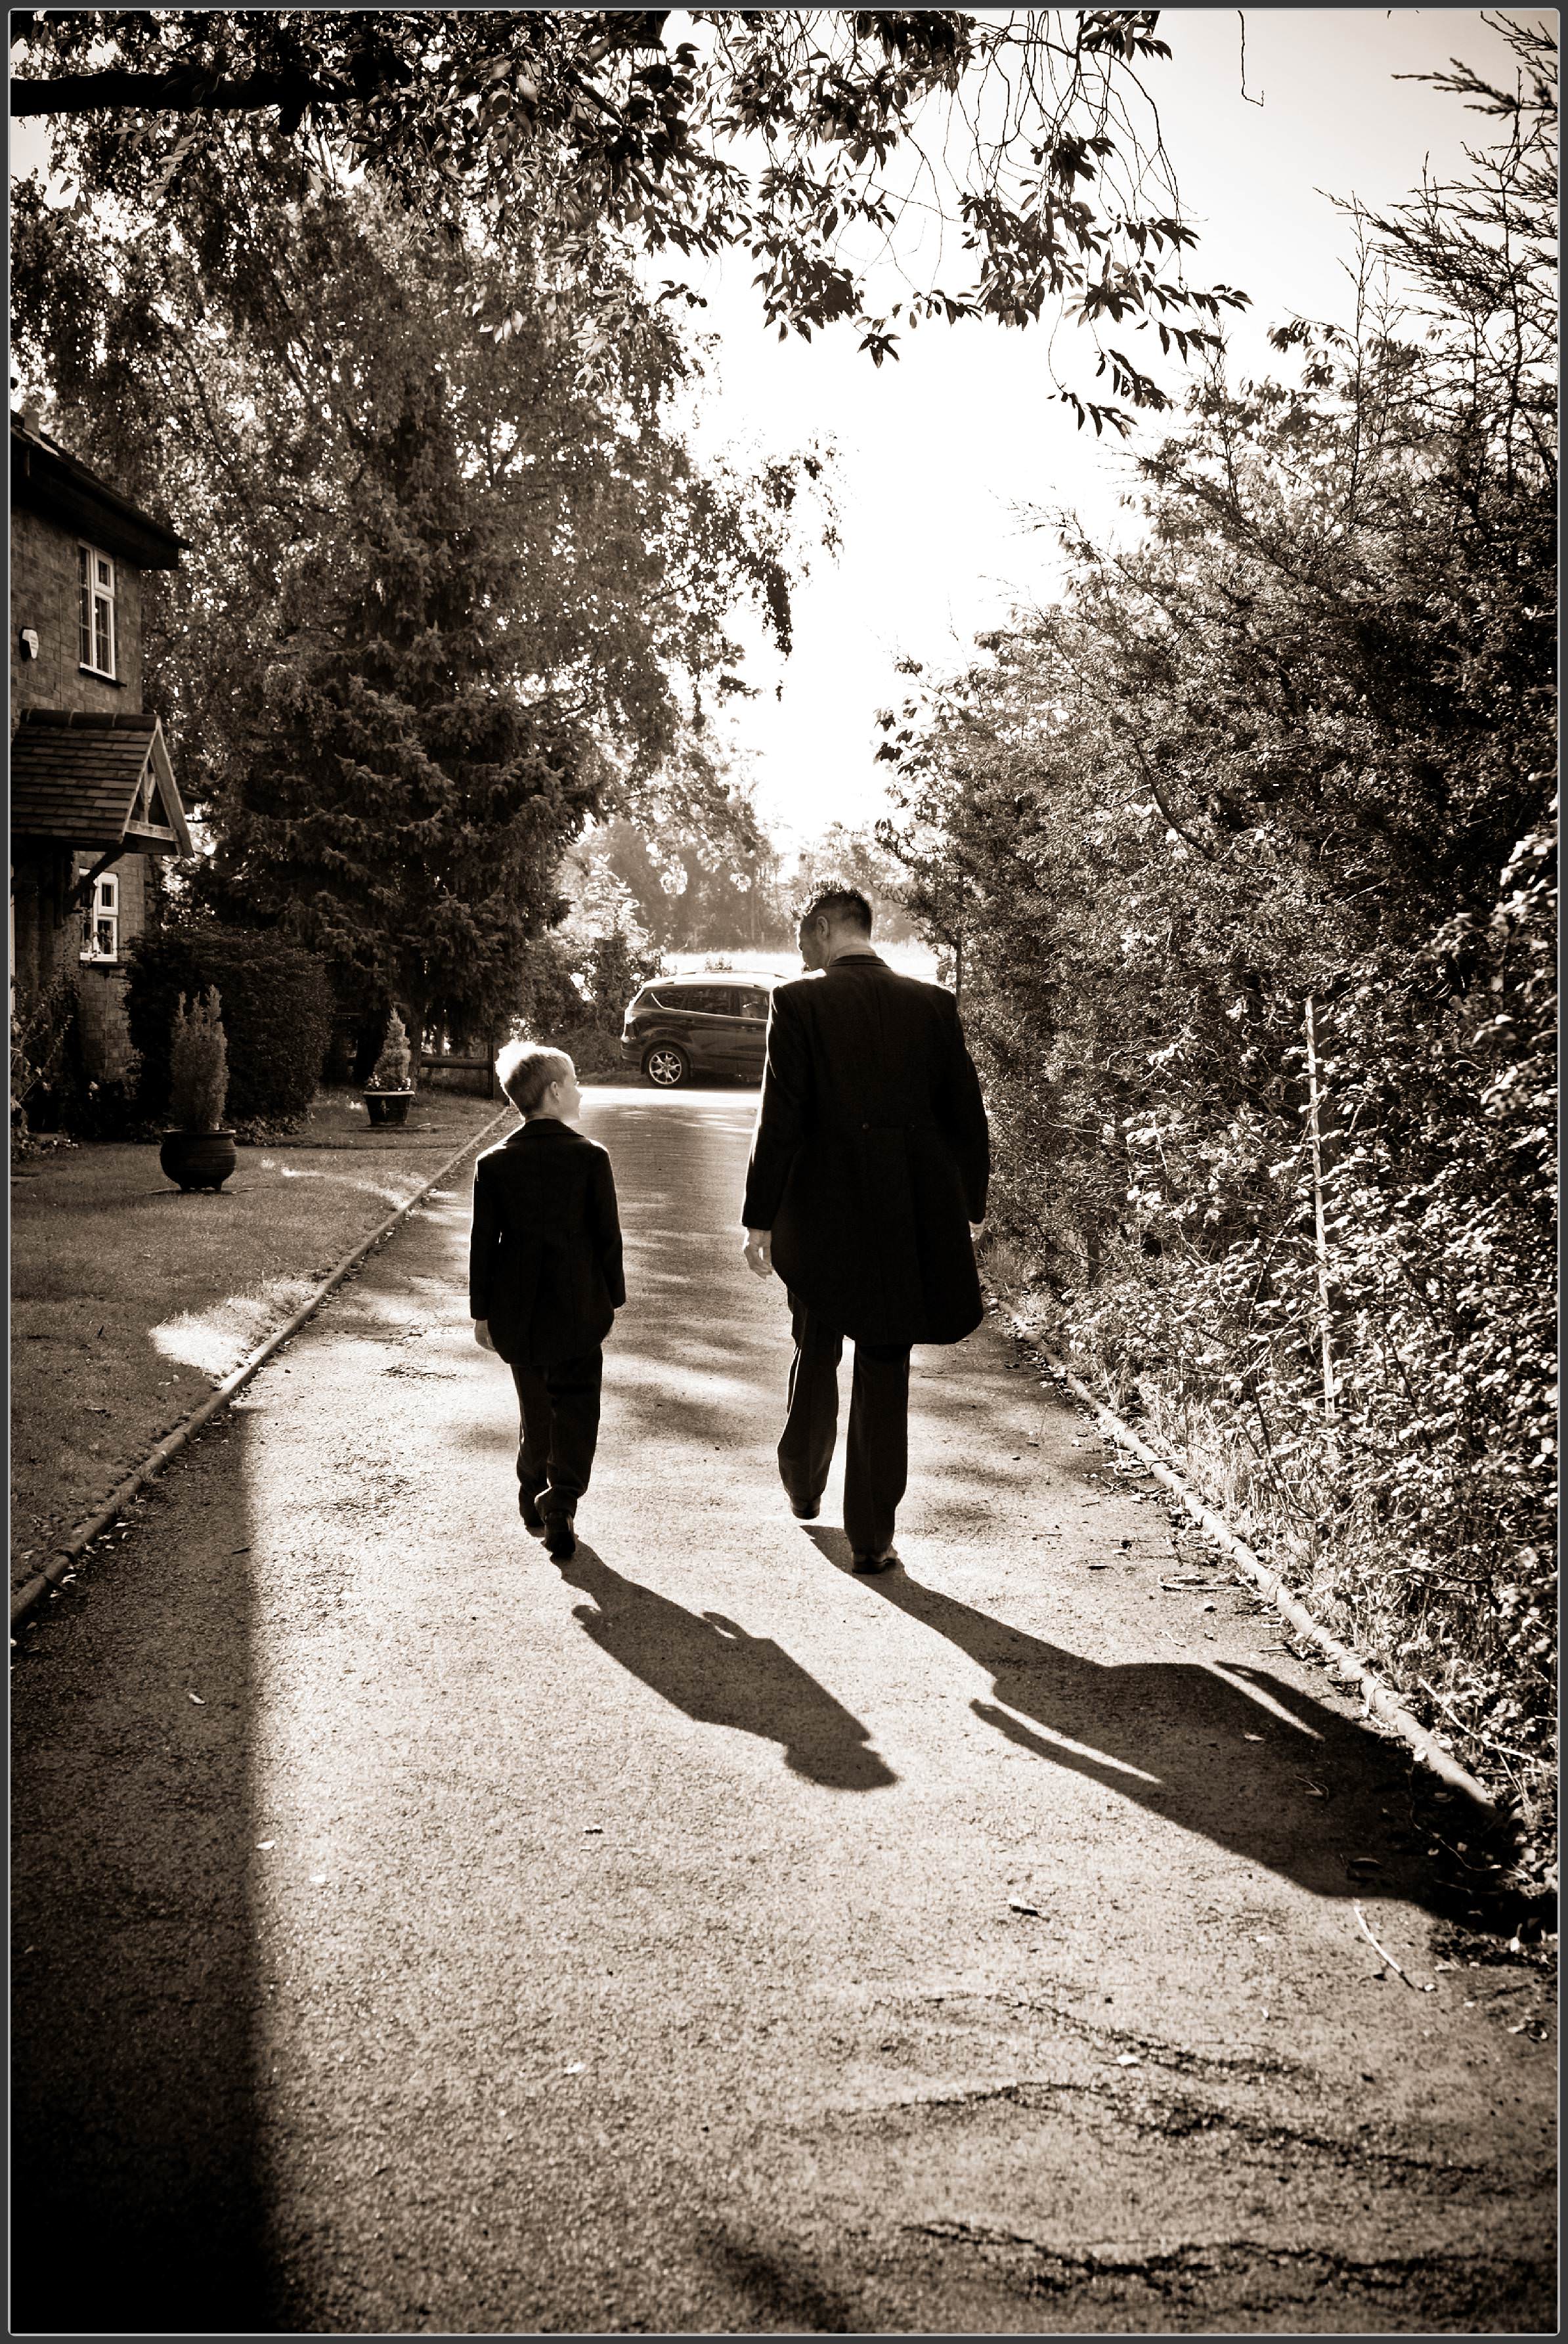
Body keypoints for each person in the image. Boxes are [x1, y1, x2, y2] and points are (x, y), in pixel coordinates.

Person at [741, 884, 990, 1571]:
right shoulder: (934, 1006)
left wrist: (759, 1220)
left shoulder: (798, 1004)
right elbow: (966, 1116)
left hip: (820, 1217)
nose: (804, 961)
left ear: (823, 929)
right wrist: (967, 1209)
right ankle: (873, 1539)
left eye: (803, 946)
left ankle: (803, 1483)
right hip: (906, 1219)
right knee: (886, 1368)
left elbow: (780, 1122)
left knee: (815, 1345)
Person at [469, 1043, 624, 1561]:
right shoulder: (590, 1158)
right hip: (579, 1305)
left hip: (518, 1310)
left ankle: (530, 1485)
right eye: (575, 1081)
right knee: (577, 1407)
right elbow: (608, 1240)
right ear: (555, 1092)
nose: (580, 1090)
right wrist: (612, 1301)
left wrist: (482, 1312)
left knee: (535, 1405)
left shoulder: (494, 1164)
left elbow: (483, 1244)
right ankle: (560, 1499)